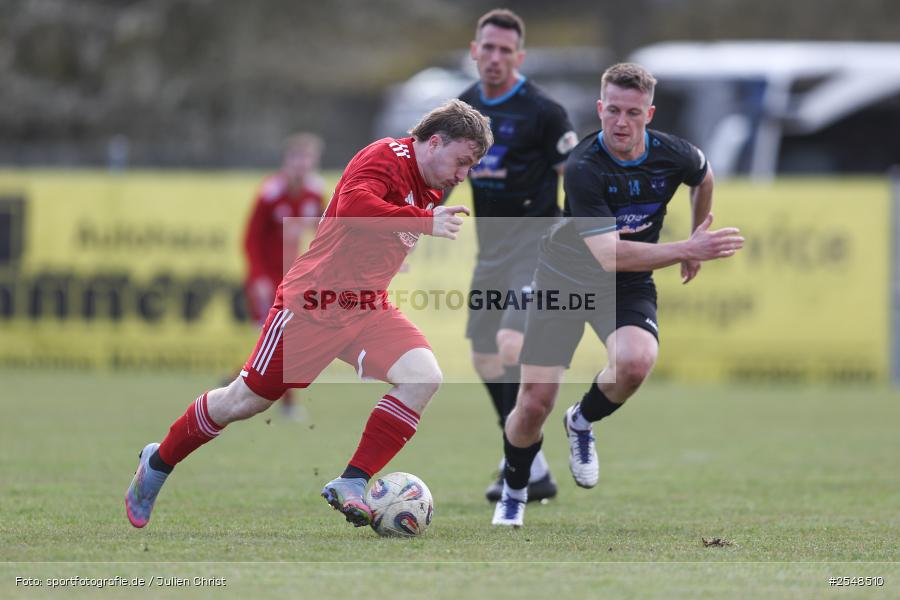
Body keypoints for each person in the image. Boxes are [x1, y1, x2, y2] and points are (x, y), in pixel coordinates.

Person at [125, 99, 493, 529]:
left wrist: (397, 245)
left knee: (424, 376)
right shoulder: (384, 156)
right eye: (461, 162)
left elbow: (375, 226)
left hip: (365, 307)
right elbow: (355, 210)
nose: (462, 175)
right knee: (243, 401)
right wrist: (422, 222)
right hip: (313, 304)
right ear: (434, 142)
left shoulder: (431, 184)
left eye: (470, 167)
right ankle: (159, 461)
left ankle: (352, 481)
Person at [491, 63, 745, 526]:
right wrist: (686, 248)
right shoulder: (585, 167)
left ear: (649, 113)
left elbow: (703, 177)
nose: (620, 122)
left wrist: (695, 236)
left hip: (626, 283)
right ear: (599, 108)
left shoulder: (674, 153)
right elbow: (607, 254)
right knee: (532, 403)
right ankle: (514, 488)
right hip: (564, 279)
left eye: (632, 112)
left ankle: (581, 421)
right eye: (612, 111)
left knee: (635, 362)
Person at [458, 8, 579, 503]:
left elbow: (578, 175)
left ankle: (519, 461)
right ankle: (535, 466)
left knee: (510, 346)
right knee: (485, 358)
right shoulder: (461, 109)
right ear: (474, 50)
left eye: (506, 50)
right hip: (491, 251)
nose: (495, 57)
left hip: (538, 242)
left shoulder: (544, 111)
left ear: (519, 57)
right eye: (488, 47)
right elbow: (439, 176)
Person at [243, 133, 325, 418]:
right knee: (277, 339)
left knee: (286, 339)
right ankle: (286, 404)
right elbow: (250, 239)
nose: (301, 165)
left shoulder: (315, 193)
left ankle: (234, 382)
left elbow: (323, 234)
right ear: (287, 161)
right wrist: (258, 278)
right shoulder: (270, 193)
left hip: (294, 280)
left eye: (307, 159)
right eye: (297, 158)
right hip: (268, 279)